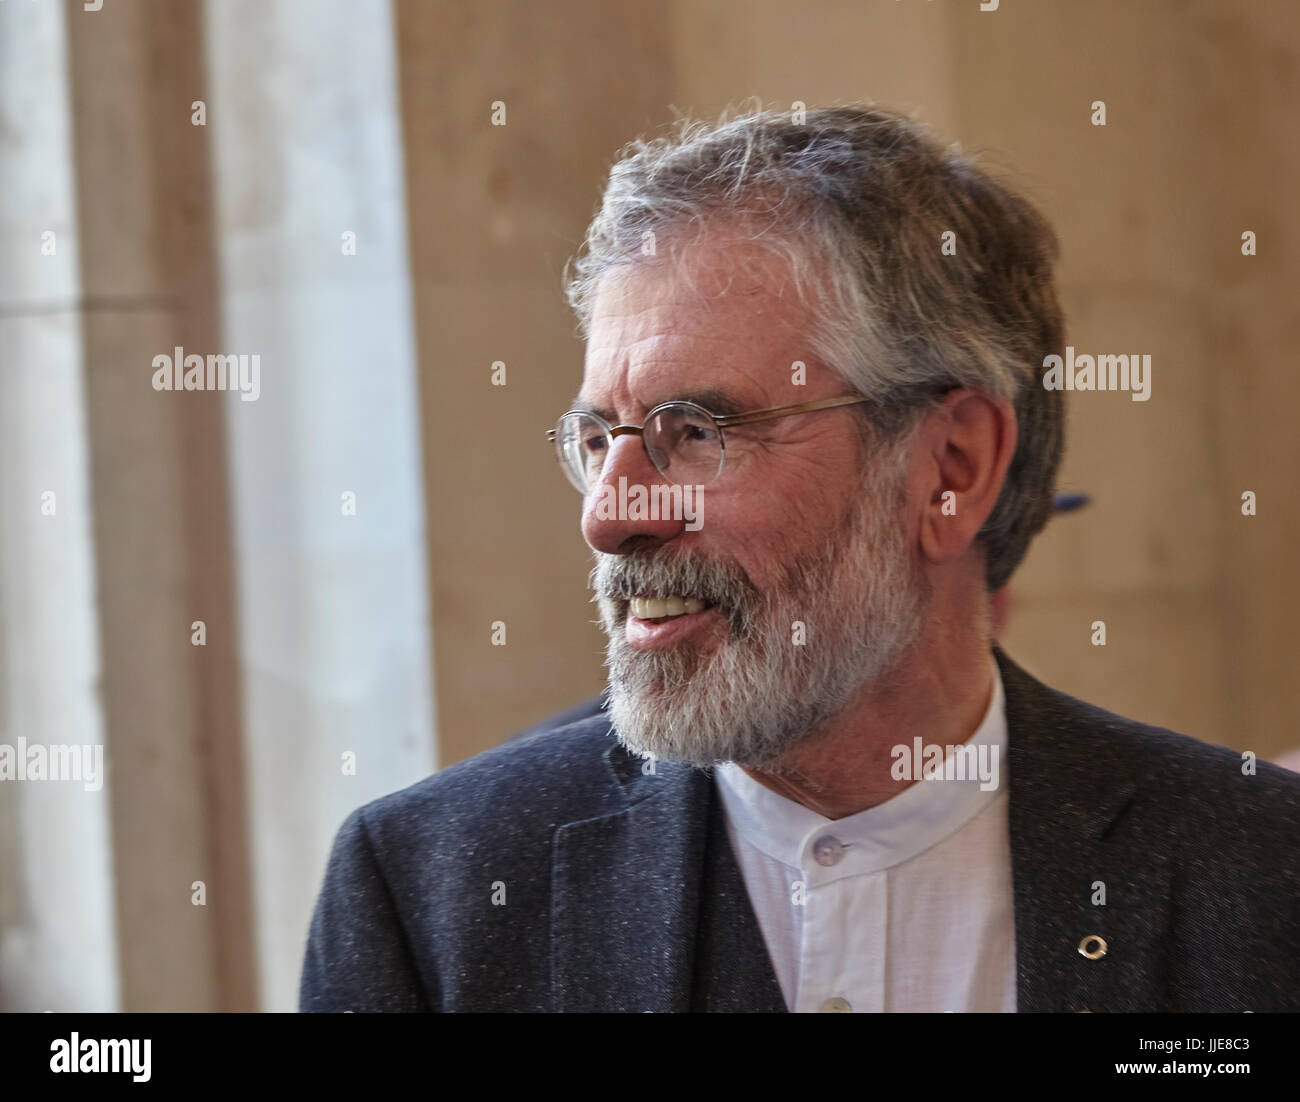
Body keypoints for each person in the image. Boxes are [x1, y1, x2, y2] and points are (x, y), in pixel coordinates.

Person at [300, 105, 1300, 1013]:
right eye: (599, 438)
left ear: (951, 467)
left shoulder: (1260, 870)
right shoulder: (433, 891)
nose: (610, 516)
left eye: (695, 430)